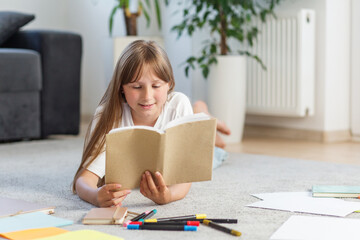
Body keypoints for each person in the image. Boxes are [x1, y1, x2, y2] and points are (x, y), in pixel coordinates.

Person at [72, 40, 230, 208]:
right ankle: (201, 115)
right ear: (121, 88)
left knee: (216, 151)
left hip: (185, 134)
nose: (147, 96)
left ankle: (202, 115)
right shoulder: (108, 115)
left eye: (156, 85)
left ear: (169, 84)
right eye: (137, 87)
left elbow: (185, 178)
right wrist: (95, 196)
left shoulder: (178, 105)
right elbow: (83, 180)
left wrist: (169, 196)